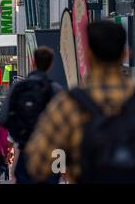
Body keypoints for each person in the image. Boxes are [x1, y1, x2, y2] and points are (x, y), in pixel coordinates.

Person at [26, 21, 135, 184]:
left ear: (87, 53)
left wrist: (67, 162)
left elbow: (38, 165)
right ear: (126, 54)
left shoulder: (69, 104)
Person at [0, 46, 63, 184]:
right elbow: (65, 125)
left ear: (32, 62)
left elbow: (3, 118)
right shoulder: (56, 89)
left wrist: (18, 136)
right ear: (51, 64)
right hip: (51, 151)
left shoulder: (18, 88)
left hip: (26, 149)